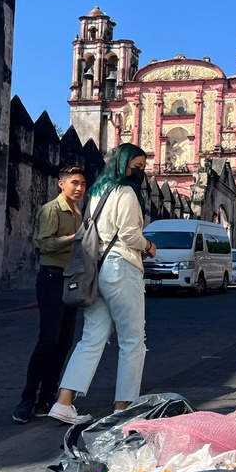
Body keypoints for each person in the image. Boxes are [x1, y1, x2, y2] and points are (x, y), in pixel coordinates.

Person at [48, 144, 155, 424]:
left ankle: (63, 402)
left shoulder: (97, 192)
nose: (140, 173)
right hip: (121, 267)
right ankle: (124, 408)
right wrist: (150, 246)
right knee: (133, 341)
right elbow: (131, 235)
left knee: (91, 339)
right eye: (137, 167)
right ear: (123, 164)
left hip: (97, 270)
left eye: (143, 168)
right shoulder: (127, 192)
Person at [11, 166, 88, 424]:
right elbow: (43, 244)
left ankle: (47, 398)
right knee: (49, 339)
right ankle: (27, 399)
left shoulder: (79, 212)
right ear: (61, 184)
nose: (79, 189)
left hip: (71, 281)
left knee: (65, 342)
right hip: (52, 277)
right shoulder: (51, 210)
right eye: (74, 183)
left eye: (83, 185)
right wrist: (73, 238)